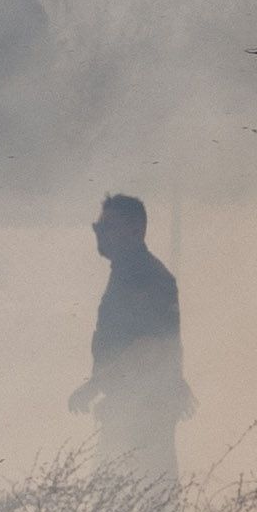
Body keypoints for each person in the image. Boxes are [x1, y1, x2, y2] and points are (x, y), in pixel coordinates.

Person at [70, 192, 192, 484]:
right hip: (133, 404)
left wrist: (95, 386)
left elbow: (149, 346)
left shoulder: (145, 276)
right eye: (98, 228)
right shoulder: (127, 273)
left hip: (144, 409)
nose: (101, 235)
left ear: (136, 230)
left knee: (132, 494)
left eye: (109, 228)